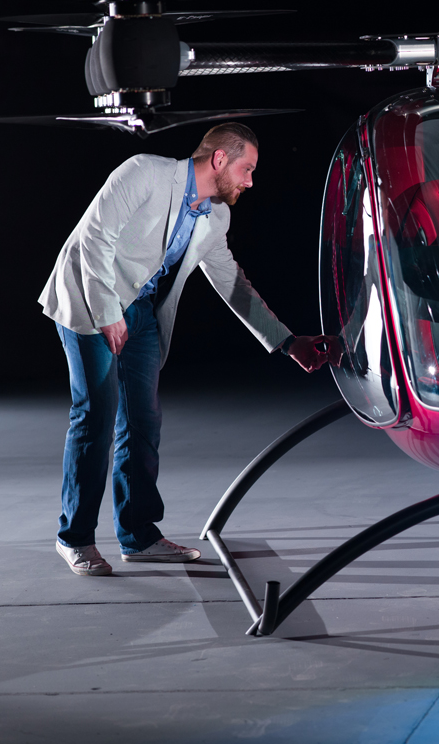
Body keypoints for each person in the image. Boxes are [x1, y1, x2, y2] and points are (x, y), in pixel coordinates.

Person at [39, 122, 334, 576]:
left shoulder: (217, 216)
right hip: (89, 299)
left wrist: (288, 341)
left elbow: (233, 283)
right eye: (247, 169)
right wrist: (107, 312)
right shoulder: (144, 172)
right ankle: (74, 538)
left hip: (141, 313)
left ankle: (139, 536)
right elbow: (95, 239)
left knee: (143, 421)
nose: (250, 181)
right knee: (96, 413)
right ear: (220, 159)